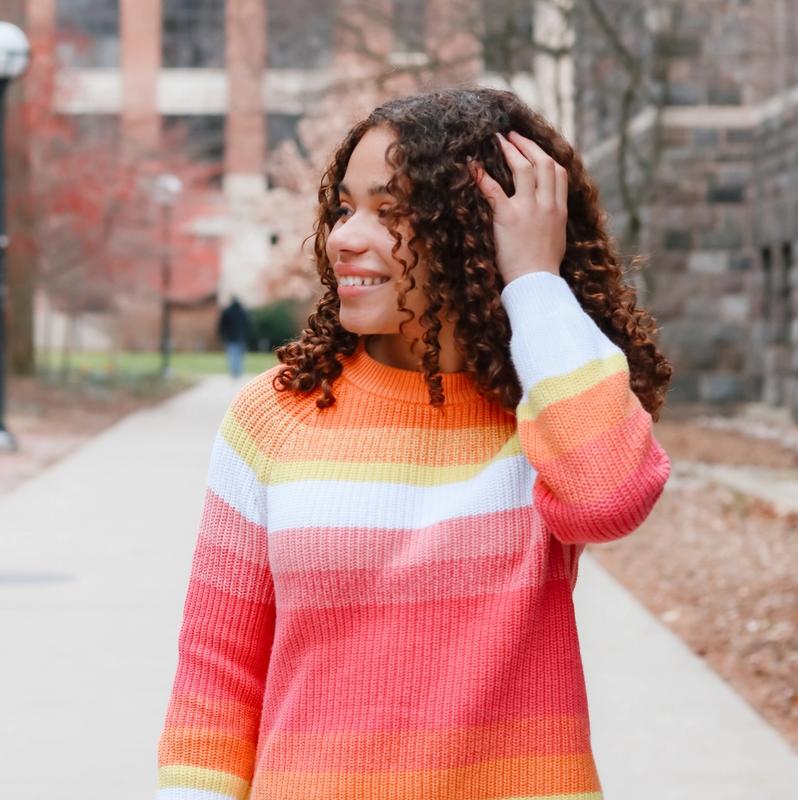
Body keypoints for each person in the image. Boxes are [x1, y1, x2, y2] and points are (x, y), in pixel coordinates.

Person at [155, 88, 672, 799]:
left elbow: (609, 496)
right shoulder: (272, 417)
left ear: (478, 230)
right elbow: (216, 681)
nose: (344, 236)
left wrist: (534, 282)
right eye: (344, 208)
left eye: (391, 211)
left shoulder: (546, 408)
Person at [217, 295, 251, 378]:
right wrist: (247, 334)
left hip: (230, 337)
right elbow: (247, 324)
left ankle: (233, 372)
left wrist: (223, 335)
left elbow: (222, 325)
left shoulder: (227, 311)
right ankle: (239, 372)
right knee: (240, 355)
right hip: (241, 337)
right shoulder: (242, 311)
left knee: (232, 355)